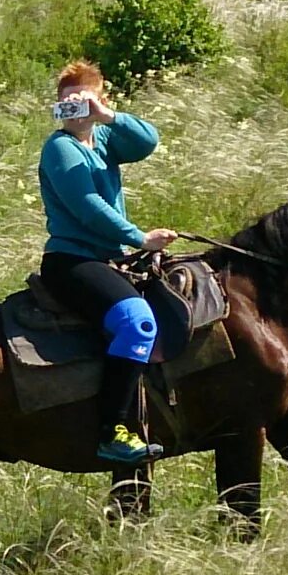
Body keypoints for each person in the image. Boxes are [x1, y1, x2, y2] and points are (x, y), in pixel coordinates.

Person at [35, 59, 174, 464]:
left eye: (82, 100)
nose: (73, 107)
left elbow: (147, 141)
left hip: (108, 260)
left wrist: (108, 117)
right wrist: (140, 238)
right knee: (137, 321)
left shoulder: (106, 141)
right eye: (67, 101)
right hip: (71, 261)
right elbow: (87, 207)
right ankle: (112, 431)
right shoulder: (60, 147)